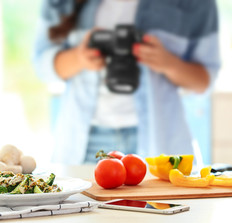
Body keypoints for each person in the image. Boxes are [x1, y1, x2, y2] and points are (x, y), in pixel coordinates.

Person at [33, 0, 220, 164]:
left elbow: (204, 81)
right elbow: (41, 66)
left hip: (161, 140)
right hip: (84, 142)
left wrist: (168, 63)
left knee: (162, 204)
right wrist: (80, 58)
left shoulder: (195, 3)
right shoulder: (61, 2)